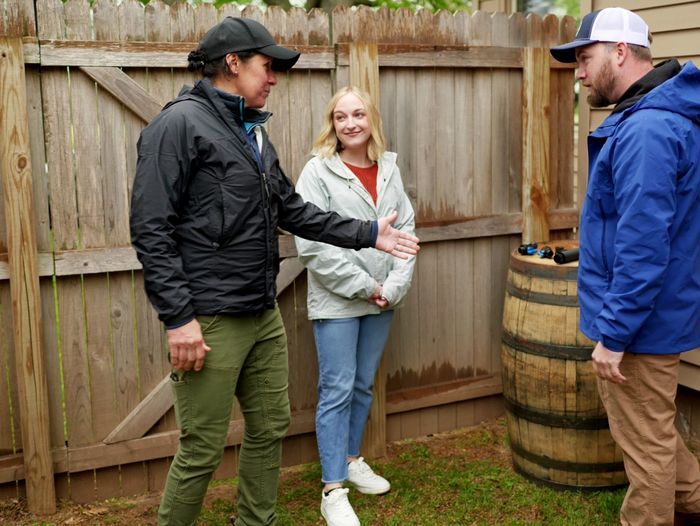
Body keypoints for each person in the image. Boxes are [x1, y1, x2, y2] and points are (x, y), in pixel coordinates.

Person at [129, 17, 419, 526]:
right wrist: (179, 319)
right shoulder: (178, 125)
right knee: (201, 449)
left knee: (268, 430)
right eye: (268, 66)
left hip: (261, 313)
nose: (274, 77)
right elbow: (152, 230)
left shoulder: (252, 134)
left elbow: (292, 209)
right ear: (233, 64)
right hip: (210, 320)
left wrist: (368, 233)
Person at [550, 7, 700, 526]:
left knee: (645, 448)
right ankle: (694, 500)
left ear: (619, 51)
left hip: (640, 327)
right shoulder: (654, 117)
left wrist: (613, 333)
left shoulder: (648, 130)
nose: (579, 71)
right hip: (654, 318)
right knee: (653, 429)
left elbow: (642, 246)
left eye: (584, 57)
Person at [294, 86, 416, 526]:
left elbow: (405, 228)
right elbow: (312, 245)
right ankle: (332, 489)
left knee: (363, 384)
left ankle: (349, 459)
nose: (351, 123)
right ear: (332, 123)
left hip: (383, 298)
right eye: (341, 116)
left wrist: (393, 288)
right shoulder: (318, 172)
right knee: (337, 390)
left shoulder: (388, 168)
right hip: (339, 300)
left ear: (371, 120)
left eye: (359, 114)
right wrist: (367, 286)